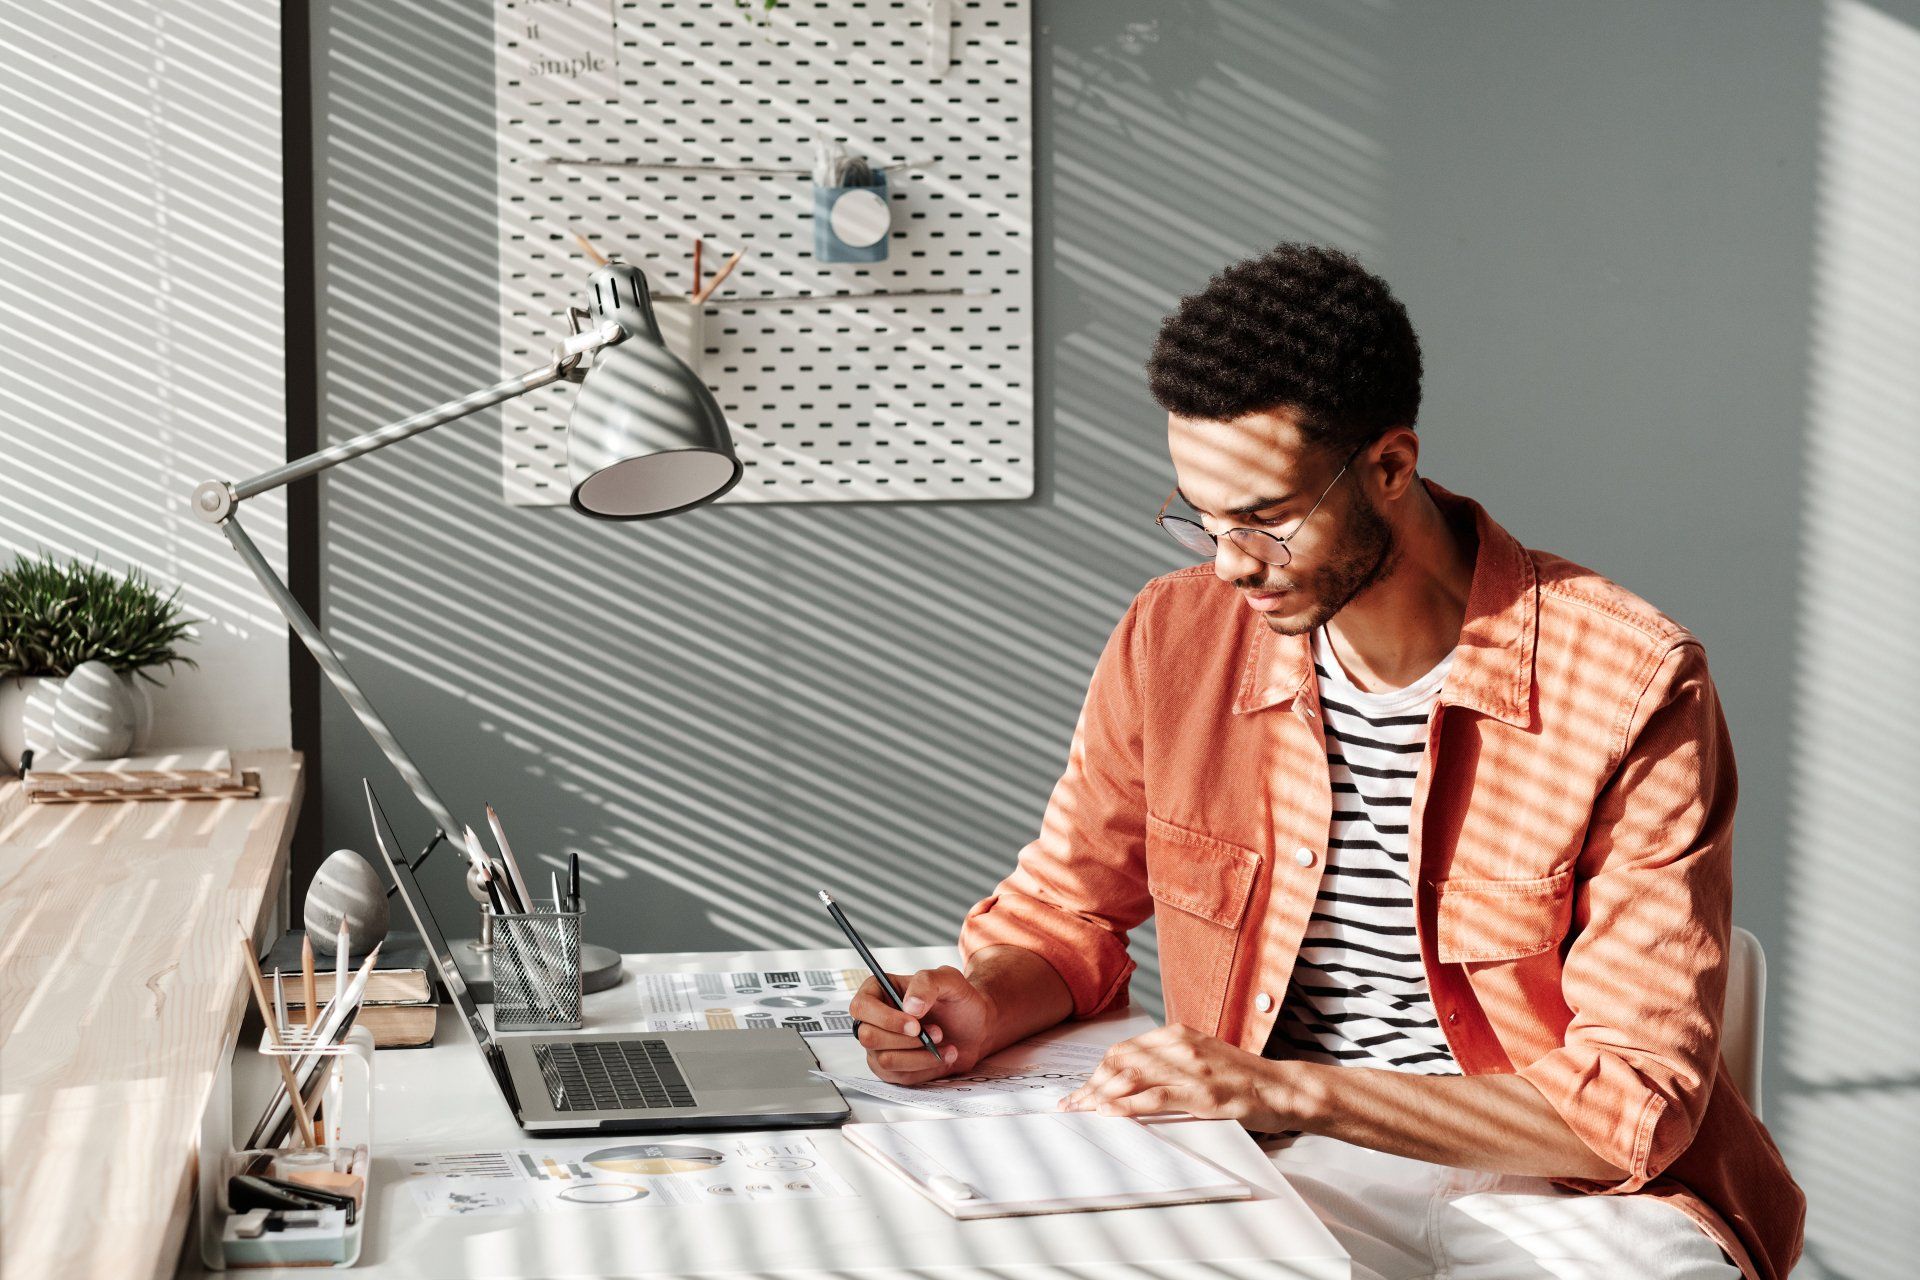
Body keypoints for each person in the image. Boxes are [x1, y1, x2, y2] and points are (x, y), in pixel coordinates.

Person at [847, 245, 1806, 1280]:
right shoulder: (1177, 639)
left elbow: (1629, 1108)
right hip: (1288, 1168)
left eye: (1266, 520)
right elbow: (1066, 914)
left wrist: (1281, 1089)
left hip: (1577, 1196)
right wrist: (987, 1000)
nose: (1229, 564)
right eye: (1203, 518)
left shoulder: (1629, 682)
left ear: (1391, 466)